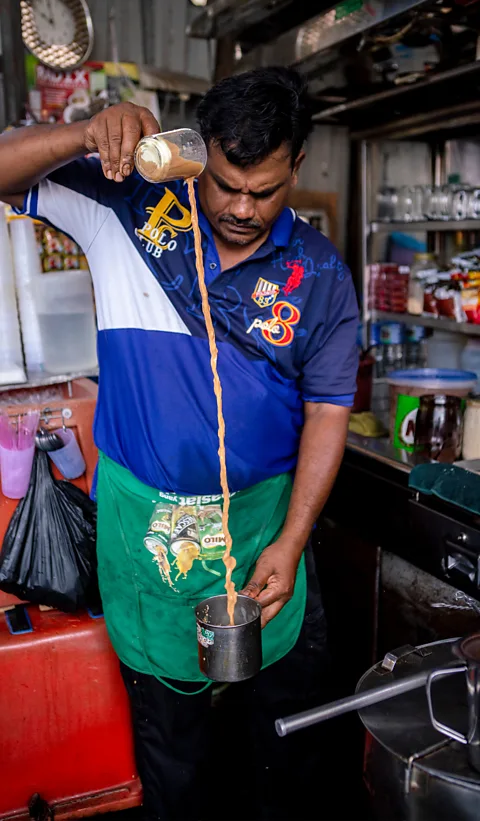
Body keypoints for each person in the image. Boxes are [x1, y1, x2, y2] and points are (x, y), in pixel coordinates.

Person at [0, 67, 358, 820]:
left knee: (285, 746)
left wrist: (293, 540)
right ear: (198, 152)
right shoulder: (126, 209)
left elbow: (329, 407)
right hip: (147, 538)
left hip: (265, 535)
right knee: (175, 753)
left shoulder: (319, 272)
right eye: (226, 184)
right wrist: (85, 132)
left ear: (297, 165)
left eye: (265, 191)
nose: (241, 208)